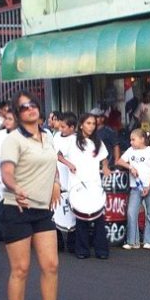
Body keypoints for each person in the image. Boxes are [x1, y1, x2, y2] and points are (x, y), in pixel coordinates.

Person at [0, 92, 74, 300]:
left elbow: (51, 163)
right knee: (20, 268)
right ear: (17, 114)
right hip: (17, 208)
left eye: (33, 105)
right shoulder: (13, 140)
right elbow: (6, 170)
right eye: (23, 107)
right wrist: (14, 188)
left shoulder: (49, 136)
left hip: (42, 209)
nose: (29, 109)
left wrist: (55, 183)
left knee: (51, 264)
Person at [60, 111, 111, 260]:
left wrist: (106, 167)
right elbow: (57, 154)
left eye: (94, 123)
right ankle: (82, 250)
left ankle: (102, 250)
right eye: (88, 123)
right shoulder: (71, 140)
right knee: (81, 219)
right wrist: (69, 164)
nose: (91, 126)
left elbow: (104, 157)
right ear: (81, 125)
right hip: (77, 184)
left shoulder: (97, 142)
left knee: (98, 218)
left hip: (94, 183)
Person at [117, 127, 150, 250]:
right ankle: (132, 240)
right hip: (135, 186)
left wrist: (149, 186)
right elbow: (120, 161)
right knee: (131, 212)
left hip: (149, 186)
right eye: (130, 140)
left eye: (133, 140)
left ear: (142, 139)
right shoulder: (130, 151)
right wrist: (130, 167)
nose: (131, 142)